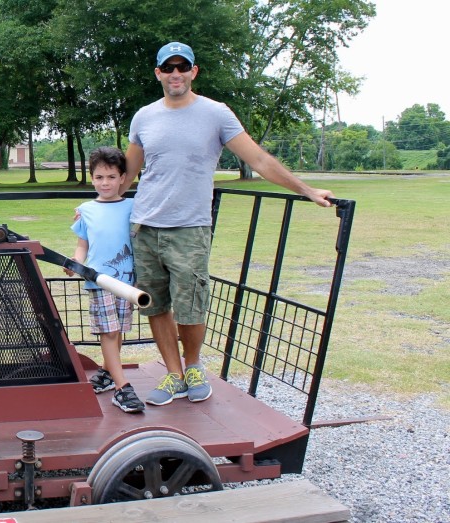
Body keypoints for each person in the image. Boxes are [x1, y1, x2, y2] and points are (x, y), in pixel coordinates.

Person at [123, 42, 334, 406]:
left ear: (193, 72)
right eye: (168, 68)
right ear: (158, 73)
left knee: (191, 306)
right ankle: (172, 375)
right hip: (145, 226)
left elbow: (259, 159)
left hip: (189, 228)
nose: (175, 74)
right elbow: (128, 174)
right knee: (154, 305)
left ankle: (193, 366)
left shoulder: (216, 114)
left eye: (182, 67)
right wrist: (98, 206)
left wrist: (306, 190)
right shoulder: (144, 117)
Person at [68, 146, 145, 413]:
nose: (105, 183)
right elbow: (82, 245)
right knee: (109, 331)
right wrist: (76, 262)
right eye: (99, 177)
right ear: (91, 178)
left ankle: (106, 371)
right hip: (98, 280)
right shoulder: (86, 210)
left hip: (127, 282)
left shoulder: (133, 207)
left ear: (123, 178)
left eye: (111, 177)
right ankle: (122, 388)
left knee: (118, 330)